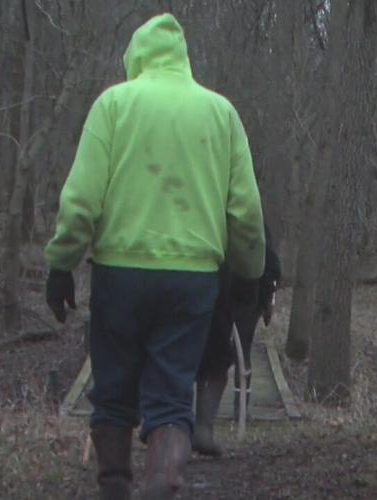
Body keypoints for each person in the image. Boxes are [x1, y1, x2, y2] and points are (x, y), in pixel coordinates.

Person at [43, 13, 265, 500]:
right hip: (192, 278)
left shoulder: (114, 104)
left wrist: (61, 262)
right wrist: (249, 273)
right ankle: (162, 482)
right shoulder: (220, 112)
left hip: (119, 273)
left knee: (114, 389)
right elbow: (246, 210)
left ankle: (115, 488)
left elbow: (81, 199)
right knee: (170, 396)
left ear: (135, 58)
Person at [192, 224, 281, 457]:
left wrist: (267, 300)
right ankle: (201, 424)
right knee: (217, 359)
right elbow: (265, 256)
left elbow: (268, 261)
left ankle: (234, 411)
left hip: (238, 293)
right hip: (228, 287)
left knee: (226, 355)